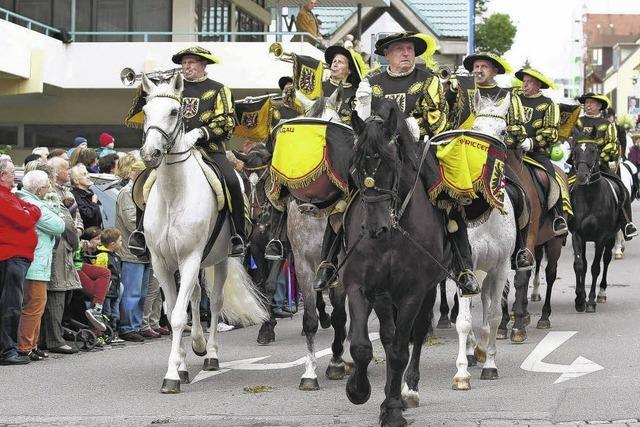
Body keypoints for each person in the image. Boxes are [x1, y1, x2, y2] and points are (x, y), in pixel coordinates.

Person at [170, 45, 245, 257]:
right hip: (176, 151)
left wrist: (200, 133)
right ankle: (141, 232)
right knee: (146, 181)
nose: (186, 67)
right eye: (184, 63)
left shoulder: (219, 89)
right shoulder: (174, 88)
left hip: (209, 149)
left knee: (232, 183)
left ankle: (237, 235)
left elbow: (227, 121)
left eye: (191, 62)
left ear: (204, 65)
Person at [16, 170, 65, 361]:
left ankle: (32, 344)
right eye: (46, 187)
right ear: (38, 189)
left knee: (37, 305)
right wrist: (54, 206)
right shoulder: (34, 203)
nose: (49, 190)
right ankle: (25, 346)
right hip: (35, 263)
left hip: (38, 262)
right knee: (33, 306)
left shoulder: (33, 201)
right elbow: (59, 225)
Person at [513, 67, 568, 236]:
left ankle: (557, 215)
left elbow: (552, 132)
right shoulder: (515, 99)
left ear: (538, 85)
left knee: (551, 178)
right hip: (512, 150)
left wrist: (532, 142)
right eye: (524, 81)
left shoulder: (549, 104)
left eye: (529, 82)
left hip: (536, 154)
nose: (525, 85)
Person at [574, 93, 637, 240]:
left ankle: (627, 223)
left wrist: (598, 159)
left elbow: (613, 145)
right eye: (586, 103)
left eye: (591, 103)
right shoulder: (578, 122)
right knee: (562, 187)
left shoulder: (608, 125)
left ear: (599, 106)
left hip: (600, 167)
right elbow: (574, 142)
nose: (588, 105)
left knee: (621, 188)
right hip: (580, 166)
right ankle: (561, 220)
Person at [40, 156, 83, 355]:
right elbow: (66, 223)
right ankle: (54, 339)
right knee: (56, 293)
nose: (67, 172)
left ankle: (49, 338)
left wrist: (78, 232)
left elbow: (76, 220)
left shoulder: (65, 192)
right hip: (59, 250)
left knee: (57, 294)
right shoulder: (51, 195)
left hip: (62, 249)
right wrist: (75, 242)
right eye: (65, 169)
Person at [0, 158, 41, 365]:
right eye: (10, 173)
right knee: (10, 305)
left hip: (15, 257)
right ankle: (7, 351)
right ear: (2, 176)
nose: (14, 177)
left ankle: (7, 350)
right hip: (10, 257)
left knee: (11, 304)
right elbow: (26, 219)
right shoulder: (2, 197)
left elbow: (34, 209)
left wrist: (29, 211)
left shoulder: (9, 195)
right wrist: (29, 212)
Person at [116, 161, 151, 342]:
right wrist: (153, 228)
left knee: (142, 292)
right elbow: (131, 221)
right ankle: (127, 327)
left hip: (145, 250)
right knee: (132, 292)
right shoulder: (127, 193)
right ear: (134, 174)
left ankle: (136, 326)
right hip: (132, 250)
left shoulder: (144, 192)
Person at [92, 228, 123, 332]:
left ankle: (113, 333)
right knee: (106, 313)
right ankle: (105, 332)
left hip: (115, 291)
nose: (121, 243)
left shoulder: (116, 257)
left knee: (115, 314)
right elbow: (99, 274)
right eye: (120, 241)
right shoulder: (102, 256)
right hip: (107, 292)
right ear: (113, 243)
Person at [70, 163, 103, 229]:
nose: (88, 177)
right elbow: (87, 215)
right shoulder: (75, 195)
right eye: (84, 175)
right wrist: (93, 203)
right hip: (87, 234)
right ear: (76, 180)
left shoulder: (89, 192)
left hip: (96, 231)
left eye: (87, 173)